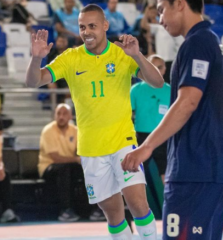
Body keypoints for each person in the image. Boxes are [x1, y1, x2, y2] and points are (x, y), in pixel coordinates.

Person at [26, 3, 164, 239]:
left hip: (123, 142)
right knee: (113, 215)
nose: (87, 31)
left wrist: (137, 56)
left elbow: (157, 82)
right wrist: (35, 58)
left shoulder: (122, 53)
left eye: (92, 26)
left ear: (105, 26)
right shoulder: (71, 58)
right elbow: (33, 82)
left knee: (139, 204)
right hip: (90, 149)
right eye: (82, 27)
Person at [122, 0, 223, 239]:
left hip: (194, 172)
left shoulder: (197, 43)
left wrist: (146, 147)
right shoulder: (207, 42)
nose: (160, 19)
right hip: (205, 170)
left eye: (161, 10)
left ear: (179, 4)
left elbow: (188, 102)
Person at [38, 104, 83, 222]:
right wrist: (76, 159)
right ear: (54, 115)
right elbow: (55, 158)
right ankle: (65, 210)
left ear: (70, 116)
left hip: (69, 166)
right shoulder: (48, 130)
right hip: (48, 167)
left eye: (64, 114)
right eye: (58, 113)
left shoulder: (76, 130)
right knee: (64, 170)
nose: (61, 116)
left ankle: (93, 208)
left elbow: (82, 152)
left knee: (88, 169)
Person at [130, 55, 170, 183]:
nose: (157, 70)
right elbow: (127, 114)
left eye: (160, 67)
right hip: (141, 136)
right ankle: (135, 202)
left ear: (165, 69)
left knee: (167, 172)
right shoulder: (135, 90)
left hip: (164, 136)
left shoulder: (170, 90)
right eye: (153, 67)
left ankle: (171, 202)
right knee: (136, 171)